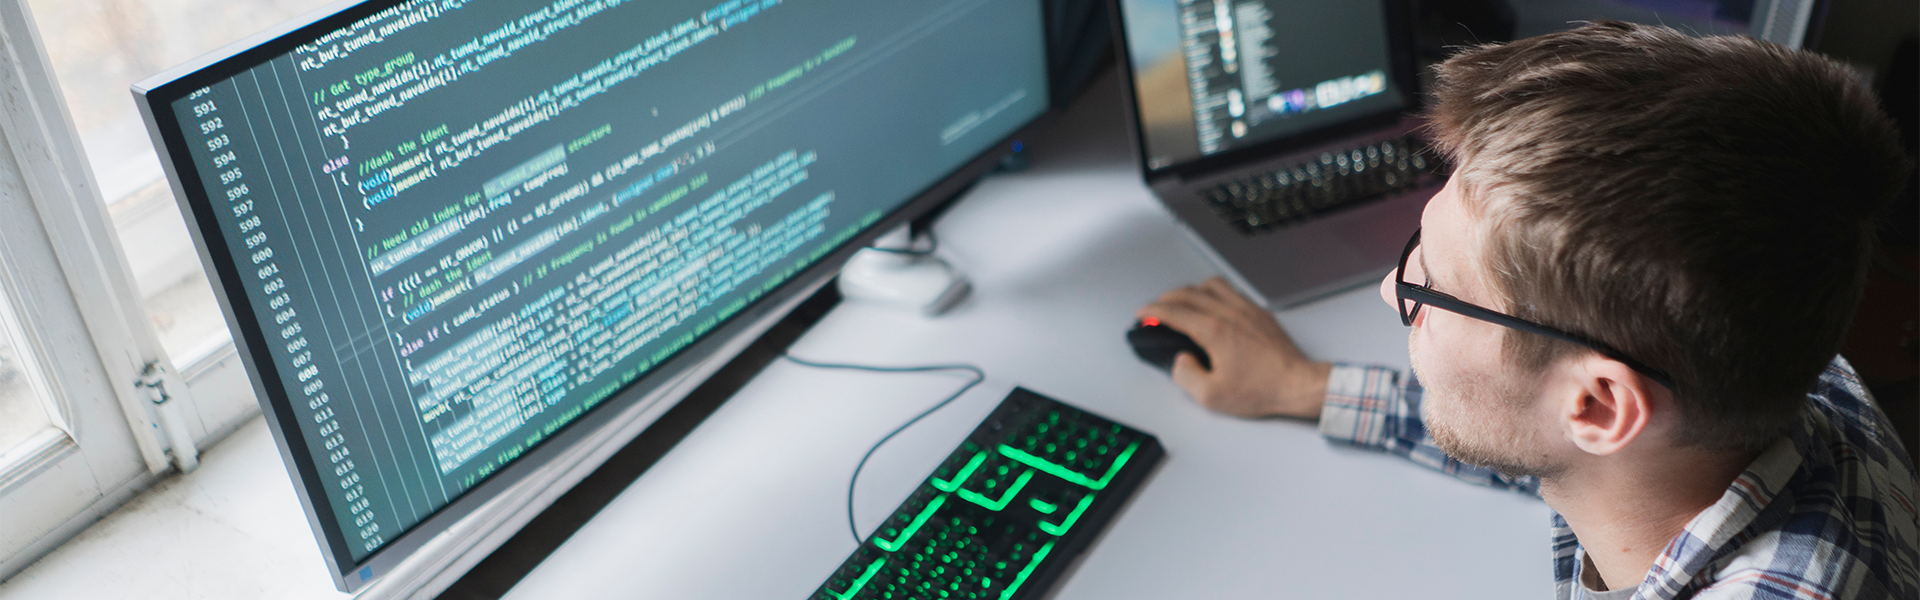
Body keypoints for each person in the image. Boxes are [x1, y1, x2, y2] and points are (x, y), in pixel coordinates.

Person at [1139, 21, 1919, 599]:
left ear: (1600, 404)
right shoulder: (1775, 359)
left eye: (1432, 290)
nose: (1390, 291)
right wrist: (1305, 386)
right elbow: (1528, 414)